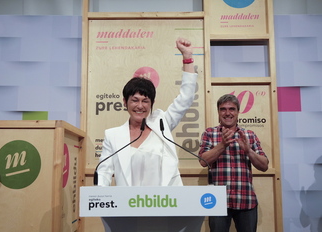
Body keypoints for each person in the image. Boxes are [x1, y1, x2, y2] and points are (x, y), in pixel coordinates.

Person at [96, 37, 197, 187]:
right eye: (135, 100)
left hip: (164, 205)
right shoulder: (113, 136)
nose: (140, 106)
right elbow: (104, 172)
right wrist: (99, 199)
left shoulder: (162, 123)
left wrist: (187, 58)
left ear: (152, 104)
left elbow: (186, 98)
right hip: (128, 207)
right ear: (125, 102)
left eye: (145, 101)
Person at [198, 94, 269, 232]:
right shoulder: (209, 133)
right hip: (218, 202)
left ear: (238, 112)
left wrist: (249, 151)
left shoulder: (249, 135)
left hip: (246, 200)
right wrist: (222, 145)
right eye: (223, 109)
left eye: (232, 109)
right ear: (218, 112)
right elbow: (203, 161)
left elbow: (264, 166)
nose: (228, 113)